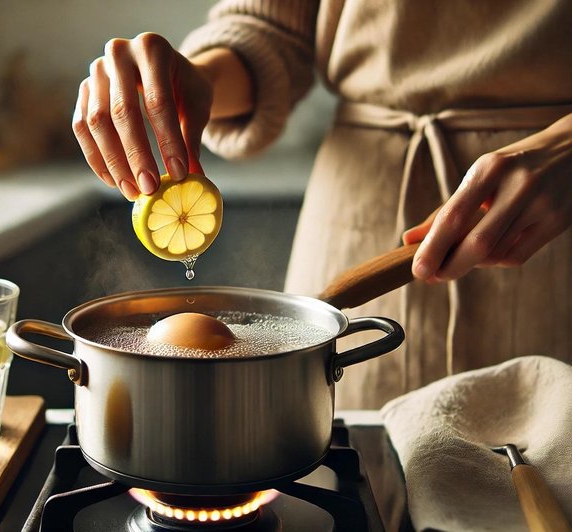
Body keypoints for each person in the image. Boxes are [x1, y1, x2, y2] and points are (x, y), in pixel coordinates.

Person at [72, 0, 572, 408]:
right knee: (343, 459)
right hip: (362, 199)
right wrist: (198, 77)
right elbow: (271, 29)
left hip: (550, 214)